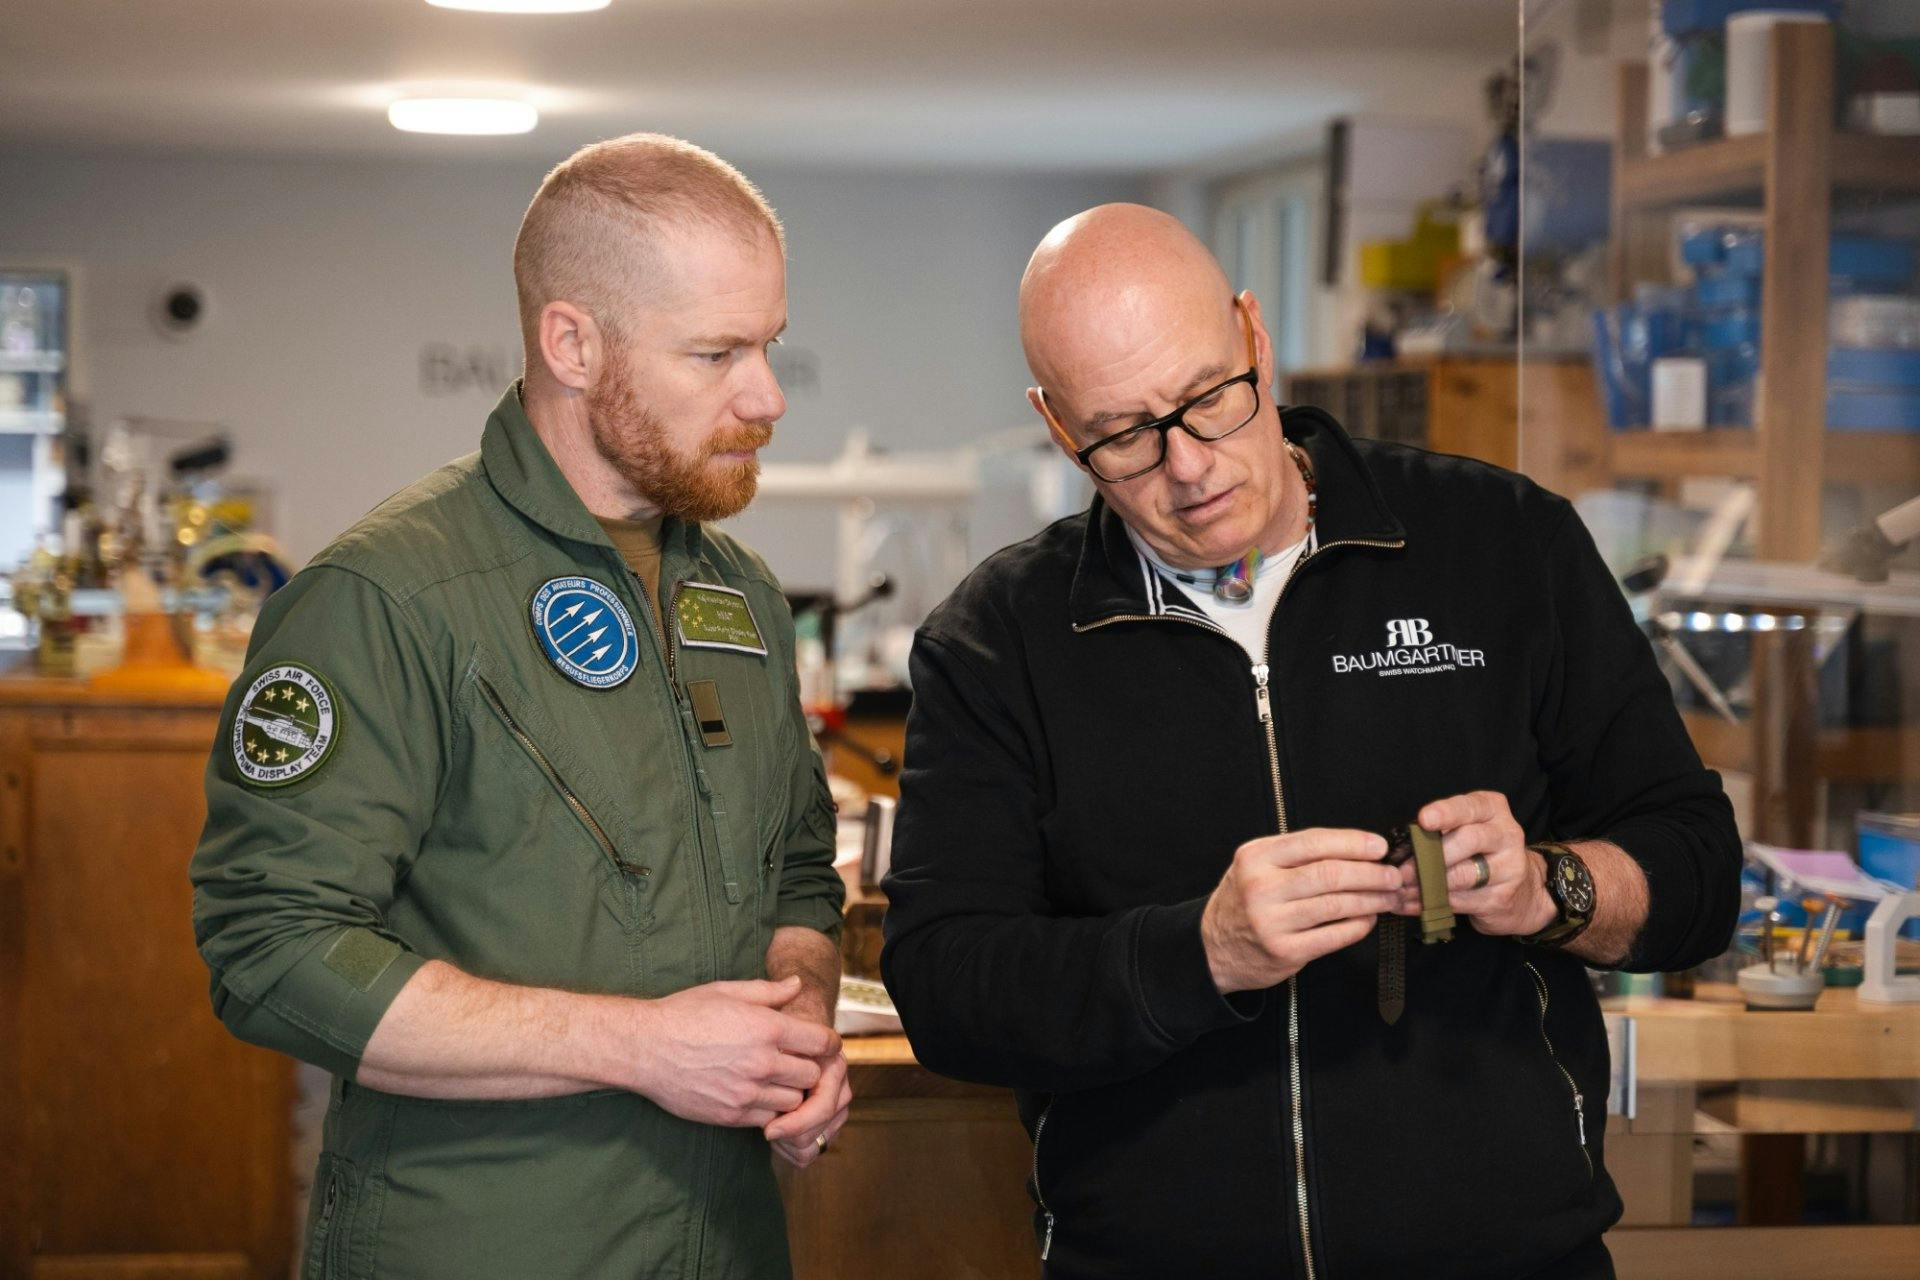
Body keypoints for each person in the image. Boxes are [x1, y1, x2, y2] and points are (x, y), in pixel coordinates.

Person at [880, 204, 1740, 1279]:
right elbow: (945, 984)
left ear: (1254, 335)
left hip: (1507, 1253)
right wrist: (1200, 952)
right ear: (1059, 428)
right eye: (1123, 436)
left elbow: (1699, 868)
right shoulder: (1000, 637)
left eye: (1208, 399)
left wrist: (1549, 889)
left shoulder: (1500, 545)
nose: (1187, 466)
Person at [189, 133, 849, 1279]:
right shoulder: (386, 595)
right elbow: (269, 948)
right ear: (573, 343)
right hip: (482, 1235)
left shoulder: (733, 592)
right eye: (716, 352)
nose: (768, 395)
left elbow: (796, 868)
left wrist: (795, 1021)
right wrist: (639, 1046)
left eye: (769, 345)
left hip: (724, 1238)